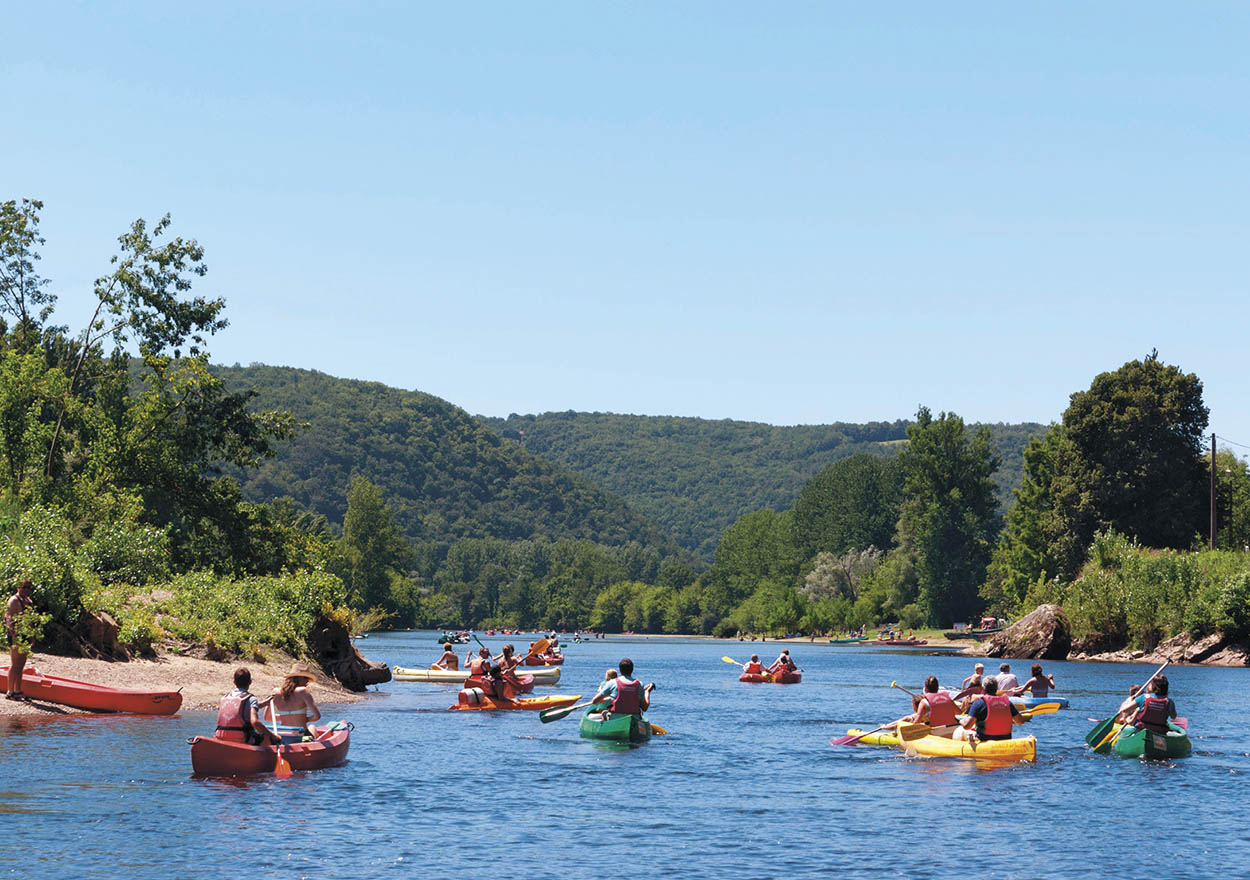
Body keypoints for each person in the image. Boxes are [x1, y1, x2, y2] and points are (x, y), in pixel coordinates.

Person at [215, 667, 278, 745]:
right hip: (242, 739)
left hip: (221, 738)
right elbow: (255, 722)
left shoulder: (224, 698)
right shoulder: (251, 699)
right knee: (267, 736)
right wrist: (273, 735)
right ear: (250, 682)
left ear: (234, 682)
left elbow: (242, 709)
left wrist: (265, 703)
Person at [956, 676, 1026, 742]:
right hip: (1005, 740)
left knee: (960, 730)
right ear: (996, 689)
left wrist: (961, 721)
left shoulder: (978, 703)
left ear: (983, 689)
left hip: (984, 740)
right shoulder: (1008, 703)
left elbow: (967, 726)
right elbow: (1020, 721)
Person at [267, 662, 322, 744]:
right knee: (312, 727)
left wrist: (285, 717)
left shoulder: (276, 692)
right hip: (301, 737)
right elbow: (317, 716)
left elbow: (267, 718)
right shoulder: (303, 691)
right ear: (299, 679)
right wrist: (304, 719)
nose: (307, 682)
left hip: (283, 736)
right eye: (305, 678)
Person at [5, 580, 35, 701]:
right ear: (18, 587)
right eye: (24, 587)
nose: (26, 589)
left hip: (26, 634)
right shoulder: (13, 600)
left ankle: (18, 690)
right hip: (16, 634)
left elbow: (31, 620)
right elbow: (9, 619)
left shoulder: (28, 601)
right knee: (15, 663)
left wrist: (32, 636)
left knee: (21, 664)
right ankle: (10, 691)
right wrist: (14, 636)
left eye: (29, 587)